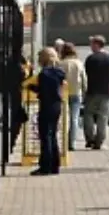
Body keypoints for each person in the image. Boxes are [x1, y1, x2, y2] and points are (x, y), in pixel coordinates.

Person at [28, 47, 66, 175]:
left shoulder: (44, 74)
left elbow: (43, 91)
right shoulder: (59, 72)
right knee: (53, 135)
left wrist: (33, 88)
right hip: (56, 105)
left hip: (46, 106)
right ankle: (55, 165)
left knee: (45, 136)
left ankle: (45, 166)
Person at [82, 35, 109, 150]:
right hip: (106, 92)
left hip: (92, 91)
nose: (90, 46)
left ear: (97, 45)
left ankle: (90, 138)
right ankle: (99, 140)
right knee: (103, 117)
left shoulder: (91, 59)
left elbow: (86, 75)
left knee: (88, 115)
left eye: (92, 44)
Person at [57, 43, 86, 152]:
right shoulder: (79, 63)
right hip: (76, 92)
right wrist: (84, 91)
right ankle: (72, 142)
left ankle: (62, 141)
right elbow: (84, 79)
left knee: (63, 118)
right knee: (74, 118)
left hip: (63, 93)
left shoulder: (60, 64)